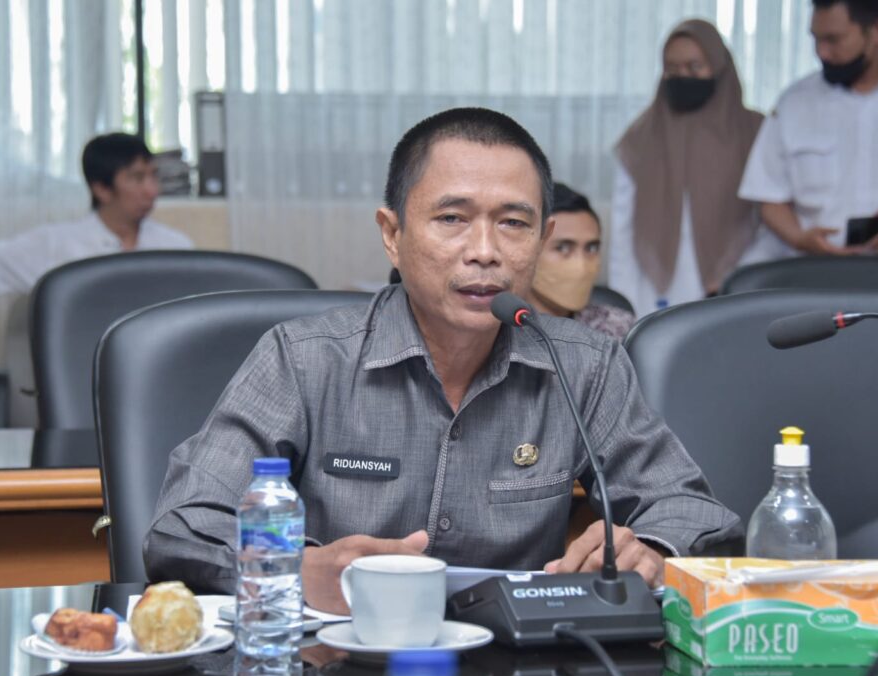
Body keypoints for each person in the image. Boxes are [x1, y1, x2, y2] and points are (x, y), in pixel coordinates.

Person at [144, 107, 741, 614]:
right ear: (392, 234)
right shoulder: (303, 360)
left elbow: (693, 511)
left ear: (541, 238)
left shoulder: (585, 366)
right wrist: (294, 571)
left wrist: (653, 551)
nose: (484, 252)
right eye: (452, 219)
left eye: (513, 223)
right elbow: (185, 526)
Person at [739, 0, 878, 263]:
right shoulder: (795, 103)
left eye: (833, 40)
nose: (821, 52)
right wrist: (799, 238)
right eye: (816, 39)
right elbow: (768, 197)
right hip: (821, 274)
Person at [609, 19, 764, 317]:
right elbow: (623, 229)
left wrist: (738, 275)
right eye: (672, 68)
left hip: (737, 283)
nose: (683, 76)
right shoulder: (643, 135)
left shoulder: (755, 132)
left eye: (694, 67)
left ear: (718, 67)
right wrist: (623, 307)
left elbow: (771, 221)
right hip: (653, 288)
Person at [0, 133, 193, 295]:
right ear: (101, 188)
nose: (152, 190)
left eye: (153, 176)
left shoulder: (175, 247)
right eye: (137, 178)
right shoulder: (55, 246)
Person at [526, 182, 635, 339]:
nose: (581, 266)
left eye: (591, 248)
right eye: (563, 248)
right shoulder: (496, 331)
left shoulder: (617, 328)